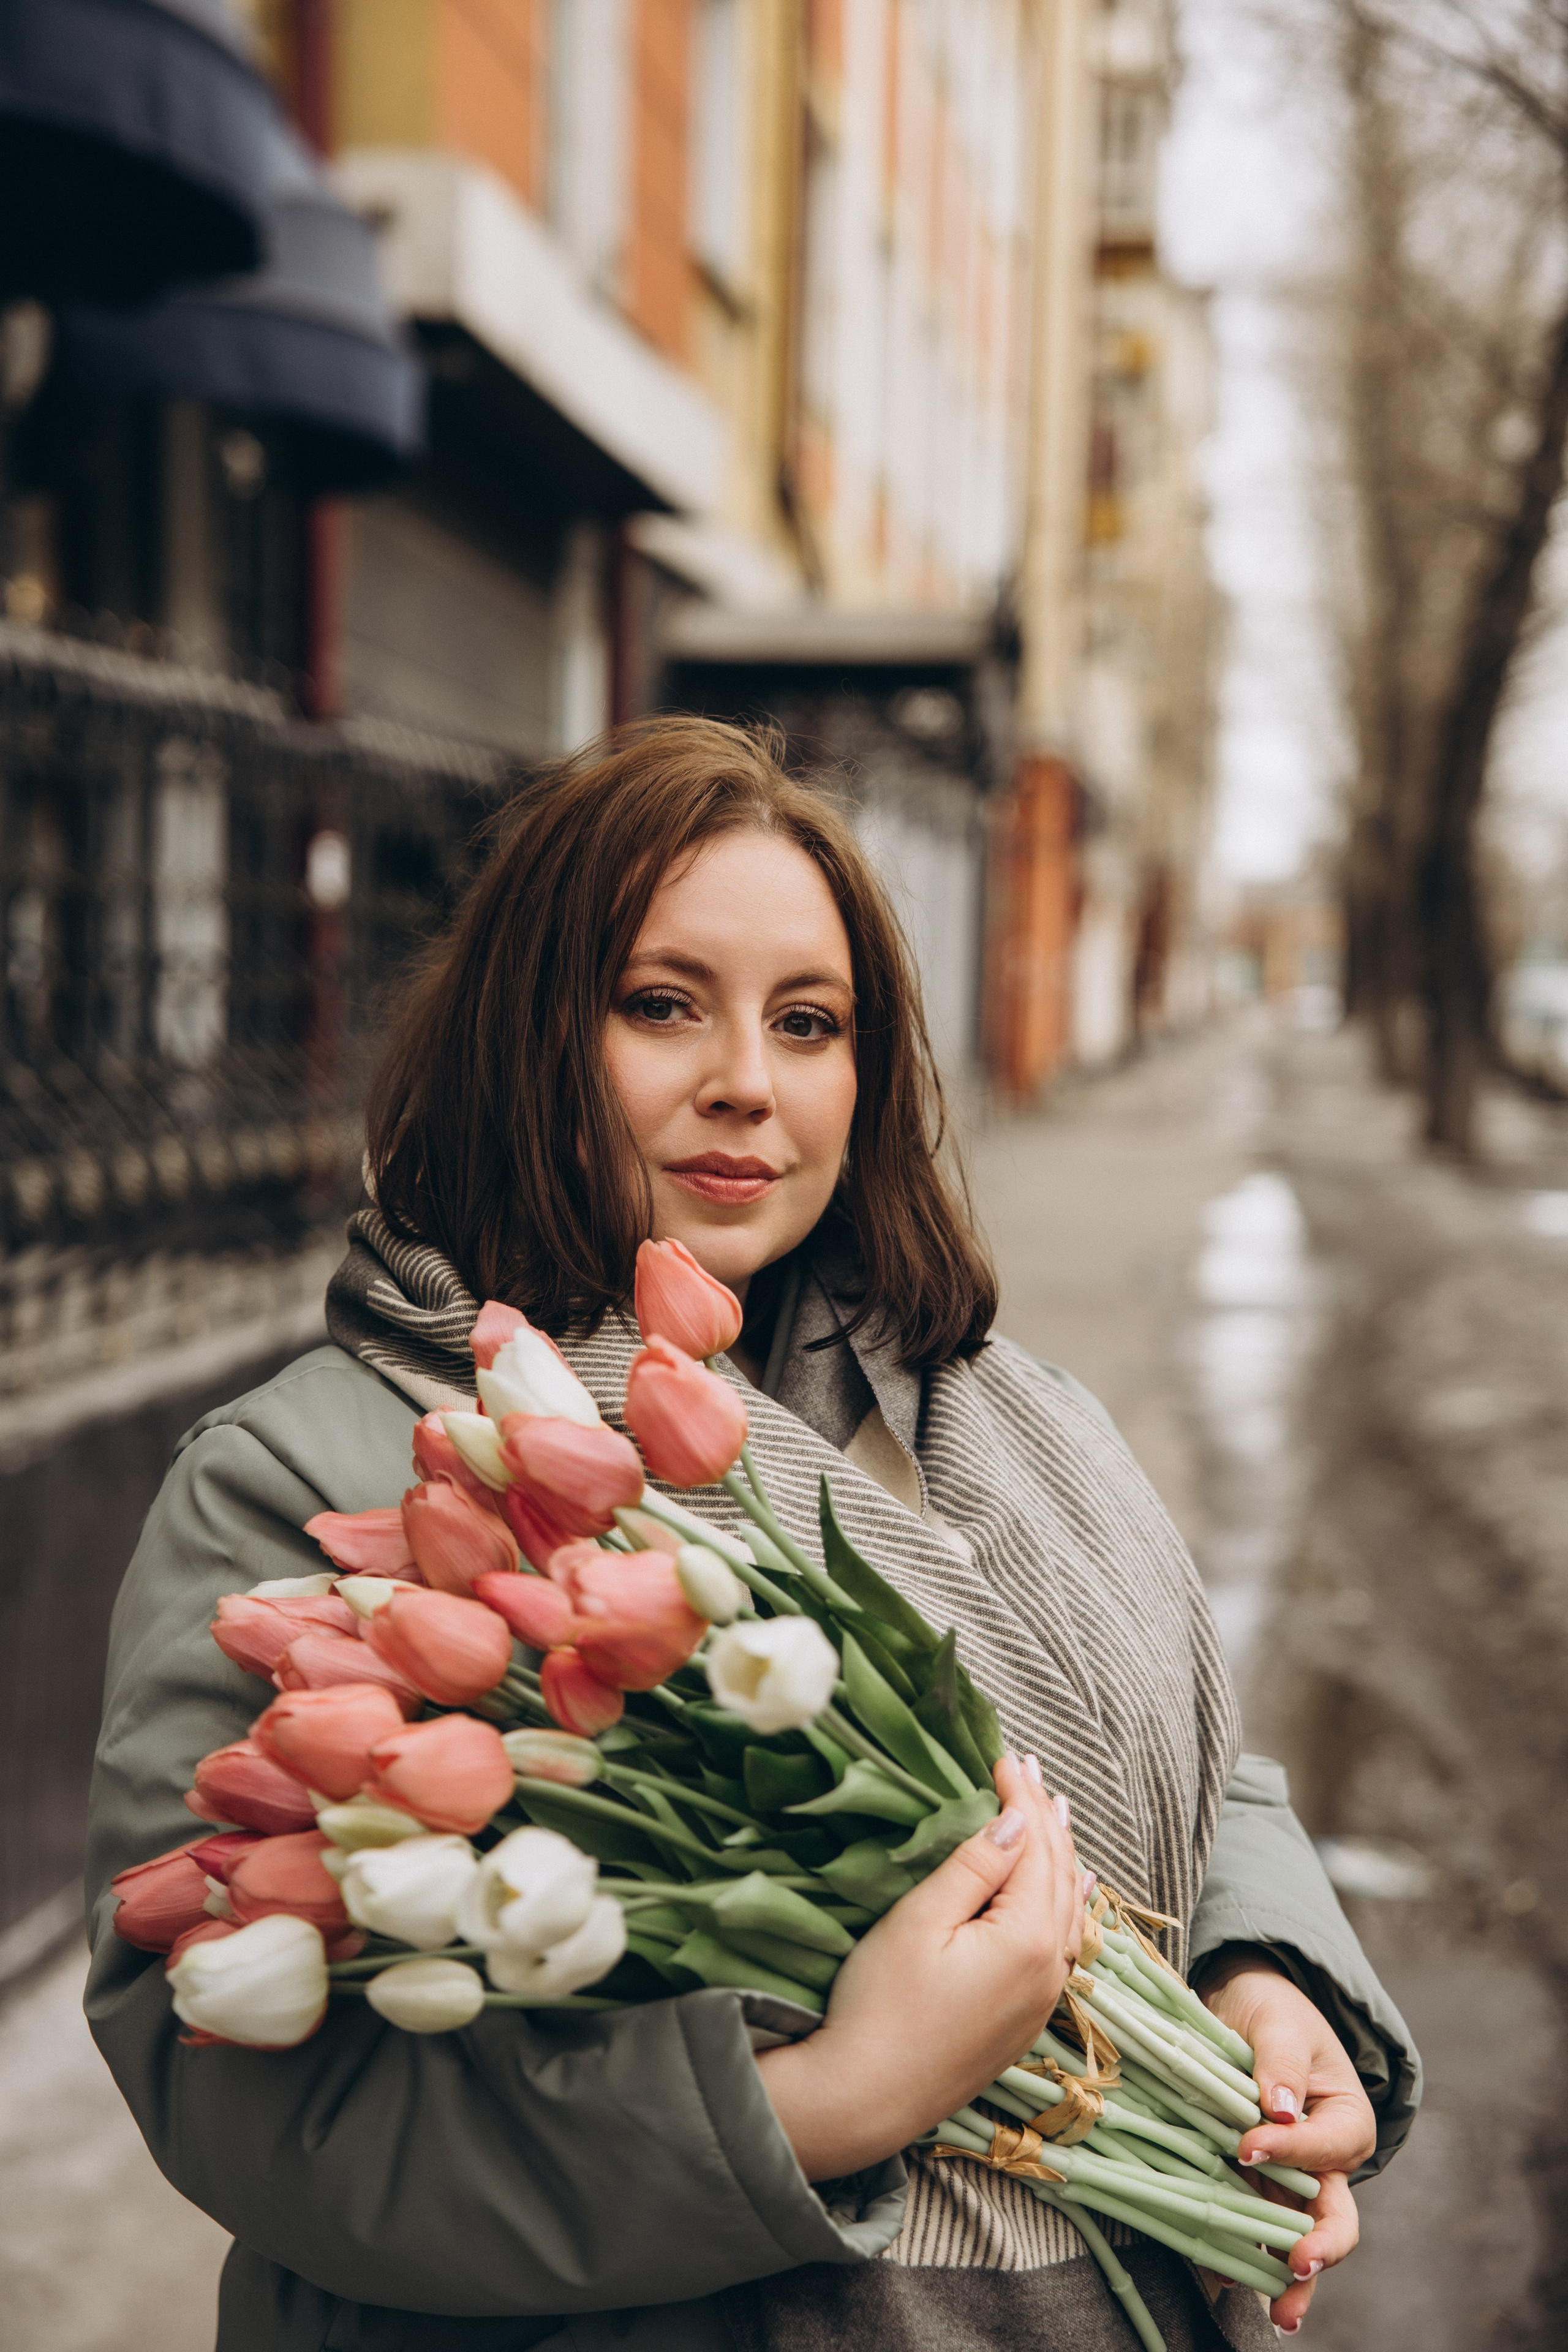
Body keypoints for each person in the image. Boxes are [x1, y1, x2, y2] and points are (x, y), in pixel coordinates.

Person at [86, 718, 1419, 2352]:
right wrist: (826, 2102)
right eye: (662, 1005)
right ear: (527, 1030)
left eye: (809, 1021)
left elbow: (1183, 1779)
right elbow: (238, 2087)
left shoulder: (1011, 1416)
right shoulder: (317, 1466)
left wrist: (1265, 1985)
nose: (747, 1081)